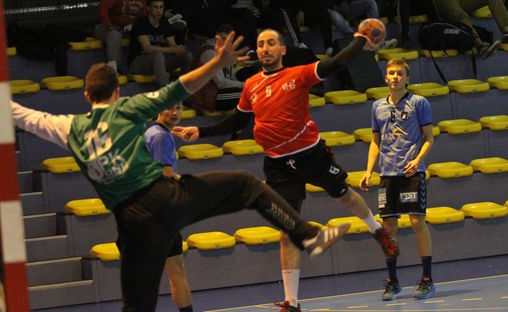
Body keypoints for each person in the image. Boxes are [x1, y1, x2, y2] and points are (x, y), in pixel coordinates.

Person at [11, 31, 350, 312]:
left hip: (132, 224)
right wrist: (218, 62)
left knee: (136, 307)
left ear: (86, 95)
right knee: (248, 186)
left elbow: (20, 114)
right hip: (167, 200)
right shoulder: (128, 109)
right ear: (116, 93)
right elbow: (181, 88)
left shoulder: (65, 127)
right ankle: (308, 236)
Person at [172, 22, 399, 312]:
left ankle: (377, 230)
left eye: (270, 43)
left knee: (343, 195)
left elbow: (334, 64)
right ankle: (292, 303)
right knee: (287, 230)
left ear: (281, 49)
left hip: (310, 154)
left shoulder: (297, 74)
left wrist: (358, 39)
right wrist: (200, 133)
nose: (264, 48)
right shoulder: (251, 85)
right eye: (261, 44)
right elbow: (237, 121)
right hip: (279, 165)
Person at [360, 58, 435, 301]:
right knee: (388, 228)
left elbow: (429, 138)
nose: (395, 77)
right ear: (386, 78)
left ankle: (427, 279)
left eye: (399, 73)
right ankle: (392, 281)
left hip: (411, 173)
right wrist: (369, 170)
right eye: (391, 73)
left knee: (416, 222)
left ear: (407, 78)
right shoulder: (377, 107)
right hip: (387, 175)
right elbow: (375, 141)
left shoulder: (419, 103)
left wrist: (418, 160)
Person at [144, 103, 194, 312]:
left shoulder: (152, 132)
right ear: (158, 110)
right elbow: (166, 174)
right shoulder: (161, 137)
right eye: (169, 108)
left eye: (179, 108)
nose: (175, 113)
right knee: (176, 271)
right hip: (160, 211)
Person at [128, 0, 193, 87]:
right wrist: (172, 49)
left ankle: (182, 90)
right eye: (155, 7)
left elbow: (172, 45)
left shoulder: (164, 23)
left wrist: (178, 49)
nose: (159, 10)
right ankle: (166, 95)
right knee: (158, 55)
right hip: (138, 63)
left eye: (161, 7)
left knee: (187, 56)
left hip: (159, 61)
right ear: (148, 9)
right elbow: (147, 48)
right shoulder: (141, 24)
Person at [95, 0, 147, 73]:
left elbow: (143, 17)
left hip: (129, 30)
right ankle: (114, 69)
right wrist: (109, 25)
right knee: (115, 34)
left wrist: (134, 26)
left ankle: (140, 68)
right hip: (108, 28)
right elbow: (103, 7)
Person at [188, 23, 244, 112]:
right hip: (204, 98)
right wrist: (245, 85)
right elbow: (220, 83)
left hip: (216, 93)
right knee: (251, 92)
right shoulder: (209, 53)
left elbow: (231, 77)